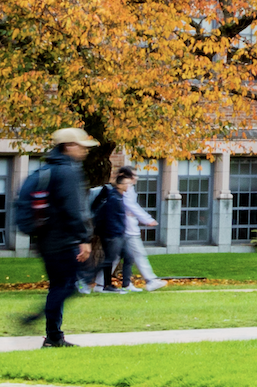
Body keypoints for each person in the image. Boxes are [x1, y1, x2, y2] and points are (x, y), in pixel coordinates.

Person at [14, 128, 95, 348]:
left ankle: (53, 337)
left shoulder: (48, 169)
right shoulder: (68, 171)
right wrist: (84, 238)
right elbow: (75, 209)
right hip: (64, 241)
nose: (84, 152)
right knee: (74, 284)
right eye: (81, 146)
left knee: (60, 285)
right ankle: (36, 320)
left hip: (46, 242)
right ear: (69, 146)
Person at [109, 170, 165, 292]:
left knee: (117, 256)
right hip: (128, 229)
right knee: (138, 254)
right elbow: (132, 206)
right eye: (133, 175)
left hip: (126, 228)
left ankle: (101, 282)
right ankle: (150, 280)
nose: (136, 177)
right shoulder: (126, 190)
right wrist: (147, 219)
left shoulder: (127, 189)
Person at [86, 171, 128, 293]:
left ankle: (106, 284)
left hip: (111, 232)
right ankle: (88, 278)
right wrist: (115, 233)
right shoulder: (113, 196)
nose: (128, 185)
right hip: (110, 233)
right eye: (126, 183)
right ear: (119, 184)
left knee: (113, 258)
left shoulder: (115, 195)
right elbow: (111, 217)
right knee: (109, 259)